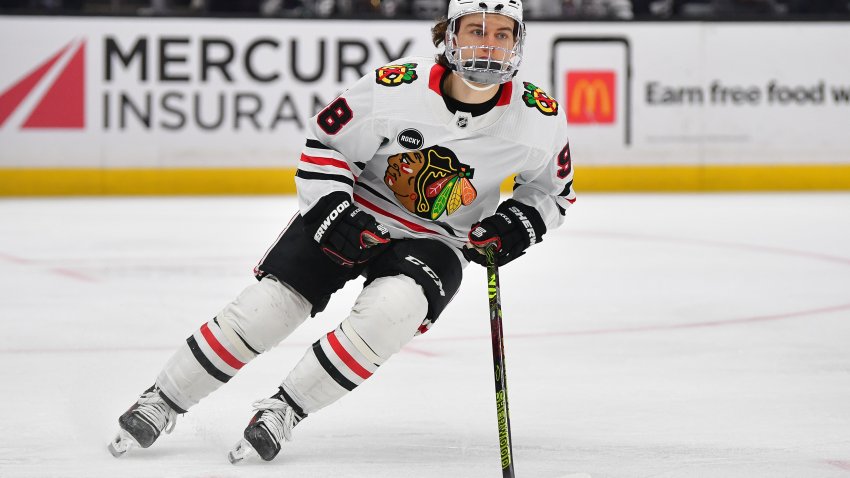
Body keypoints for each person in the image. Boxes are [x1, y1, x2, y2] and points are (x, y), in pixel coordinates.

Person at [108, 0, 576, 463]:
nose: (489, 46)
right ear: (449, 35)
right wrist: (333, 209)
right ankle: (163, 399)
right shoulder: (395, 87)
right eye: (476, 30)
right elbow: (326, 147)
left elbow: (552, 192)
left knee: (393, 312)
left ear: (518, 42)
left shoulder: (539, 116)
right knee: (267, 309)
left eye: (502, 34)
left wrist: (520, 224)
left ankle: (284, 410)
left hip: (440, 239)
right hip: (357, 212)